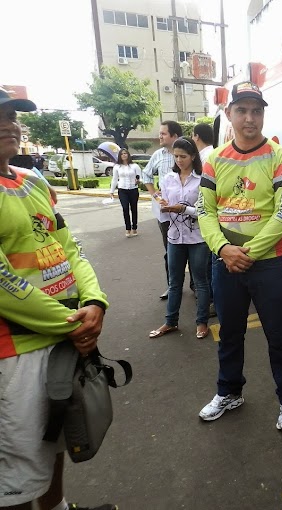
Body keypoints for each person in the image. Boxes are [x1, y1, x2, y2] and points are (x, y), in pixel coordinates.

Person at [0, 89, 115, 510]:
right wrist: (73, 323)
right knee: (17, 471)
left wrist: (95, 302)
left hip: (63, 339)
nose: (8, 123)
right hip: (15, 351)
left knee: (56, 444)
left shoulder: (33, 181)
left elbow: (69, 248)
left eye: (11, 114)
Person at [196, 81, 282, 431]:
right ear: (229, 115)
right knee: (229, 332)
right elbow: (205, 212)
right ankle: (229, 392)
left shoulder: (279, 157)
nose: (250, 118)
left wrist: (248, 252)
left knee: (278, 334)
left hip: (268, 262)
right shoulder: (214, 160)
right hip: (225, 261)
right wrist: (224, 249)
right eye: (242, 110)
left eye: (256, 110)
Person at [149, 137, 210, 340]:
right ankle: (170, 321)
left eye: (183, 156)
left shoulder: (202, 179)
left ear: (193, 156)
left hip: (198, 238)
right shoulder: (168, 179)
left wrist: (184, 208)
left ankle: (202, 322)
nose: (179, 160)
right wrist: (161, 202)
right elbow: (162, 202)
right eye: (176, 156)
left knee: (200, 281)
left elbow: (205, 211)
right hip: (175, 236)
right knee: (174, 282)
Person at [141, 120, 182, 300]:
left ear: (175, 136)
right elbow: (146, 174)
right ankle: (172, 286)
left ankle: (196, 286)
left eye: (163, 133)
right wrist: (154, 195)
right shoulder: (158, 154)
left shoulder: (187, 152)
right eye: (160, 133)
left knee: (195, 249)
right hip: (165, 213)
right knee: (170, 251)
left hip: (187, 211)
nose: (160, 136)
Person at [192, 123, 217, 317]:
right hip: (204, 218)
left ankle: (212, 301)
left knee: (208, 264)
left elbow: (205, 197)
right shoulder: (212, 155)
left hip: (205, 221)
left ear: (196, 136)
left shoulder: (207, 158)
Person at [109, 148, 141, 238]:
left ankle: (134, 227)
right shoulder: (117, 167)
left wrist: (138, 181)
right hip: (122, 190)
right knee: (125, 208)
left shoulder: (134, 166)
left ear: (128, 155)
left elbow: (140, 177)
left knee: (134, 209)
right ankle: (128, 228)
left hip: (133, 189)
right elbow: (115, 179)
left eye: (125, 153)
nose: (124, 155)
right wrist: (111, 191)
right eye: (122, 154)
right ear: (119, 156)